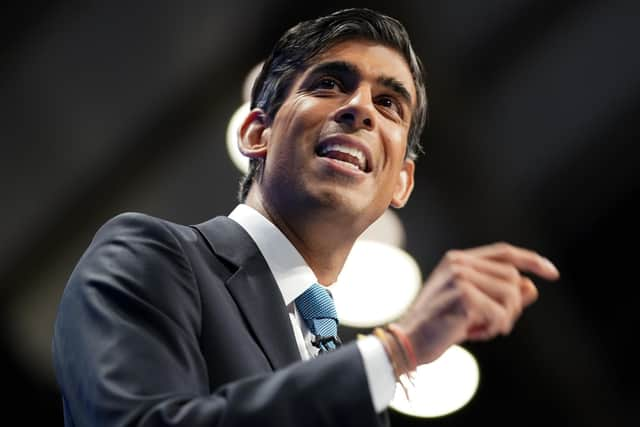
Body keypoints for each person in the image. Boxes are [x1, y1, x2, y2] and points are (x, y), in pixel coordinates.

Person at [52, 8, 560, 427]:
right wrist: (397, 350)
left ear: (401, 183)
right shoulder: (150, 255)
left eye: (389, 103)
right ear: (256, 134)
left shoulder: (354, 381)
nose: (361, 108)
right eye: (329, 84)